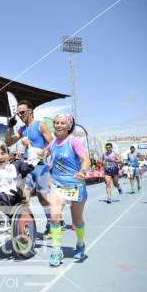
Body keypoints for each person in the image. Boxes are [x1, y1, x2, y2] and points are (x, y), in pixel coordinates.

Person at [44, 114, 90, 267]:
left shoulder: (74, 141)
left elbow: (86, 159)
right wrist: (33, 151)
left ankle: (80, 244)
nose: (58, 125)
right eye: (56, 123)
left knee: (77, 222)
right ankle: (57, 250)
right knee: (54, 217)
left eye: (62, 123)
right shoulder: (52, 144)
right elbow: (44, 154)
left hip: (75, 186)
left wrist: (82, 171)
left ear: (69, 126)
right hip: (58, 186)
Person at [5, 100, 53, 236]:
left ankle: (51, 221)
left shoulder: (40, 125)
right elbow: (8, 142)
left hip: (41, 166)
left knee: (42, 197)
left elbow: (51, 144)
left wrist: (44, 154)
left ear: (30, 111)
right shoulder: (21, 129)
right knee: (24, 196)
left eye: (22, 112)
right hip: (28, 166)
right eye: (18, 113)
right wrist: (9, 127)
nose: (20, 115)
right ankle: (24, 227)